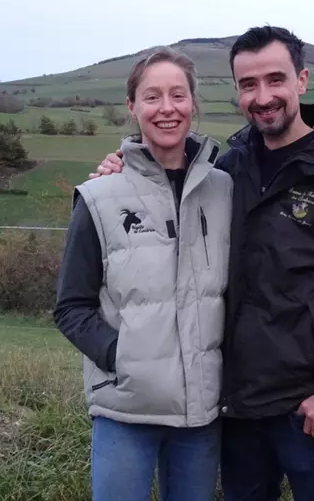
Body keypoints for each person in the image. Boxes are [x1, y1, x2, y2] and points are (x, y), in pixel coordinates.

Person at [91, 26, 314, 501]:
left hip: (313, 413)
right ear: (236, 91)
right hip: (239, 411)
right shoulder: (230, 169)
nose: (263, 96)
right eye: (248, 84)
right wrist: (122, 170)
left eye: (275, 80)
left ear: (302, 80)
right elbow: (168, 197)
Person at [53, 46, 233, 501]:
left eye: (177, 95)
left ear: (193, 103)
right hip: (124, 411)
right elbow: (71, 306)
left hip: (201, 415)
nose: (166, 108)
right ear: (132, 107)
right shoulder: (99, 197)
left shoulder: (226, 189)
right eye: (152, 97)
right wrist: (124, 359)